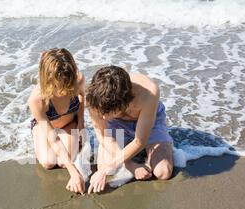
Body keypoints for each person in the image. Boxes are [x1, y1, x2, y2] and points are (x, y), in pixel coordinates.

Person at [85, 66, 174, 194]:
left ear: (124, 103)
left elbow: (139, 141)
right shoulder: (94, 98)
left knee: (163, 172)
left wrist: (104, 170)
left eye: (107, 112)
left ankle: (161, 147)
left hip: (149, 121)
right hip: (117, 123)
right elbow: (104, 136)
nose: (103, 117)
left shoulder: (149, 93)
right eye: (101, 111)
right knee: (108, 169)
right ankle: (132, 158)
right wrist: (131, 165)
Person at [28, 48, 86, 194]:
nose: (65, 90)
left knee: (63, 162)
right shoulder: (37, 99)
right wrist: (74, 173)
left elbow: (81, 99)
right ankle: (35, 136)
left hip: (69, 124)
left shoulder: (77, 80)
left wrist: (80, 125)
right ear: (47, 79)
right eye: (59, 85)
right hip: (47, 129)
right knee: (48, 162)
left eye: (68, 84)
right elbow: (53, 139)